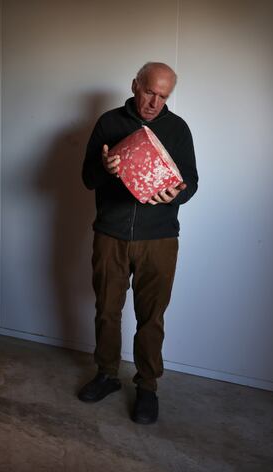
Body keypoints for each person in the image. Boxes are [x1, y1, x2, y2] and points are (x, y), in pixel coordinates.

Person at [79, 62, 199, 424]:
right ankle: (106, 374)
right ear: (135, 85)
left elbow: (191, 182)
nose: (154, 102)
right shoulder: (109, 123)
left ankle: (147, 386)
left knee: (151, 317)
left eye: (163, 96)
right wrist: (106, 169)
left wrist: (177, 194)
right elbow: (87, 178)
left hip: (160, 238)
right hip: (111, 233)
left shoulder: (178, 129)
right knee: (106, 309)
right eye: (149, 91)